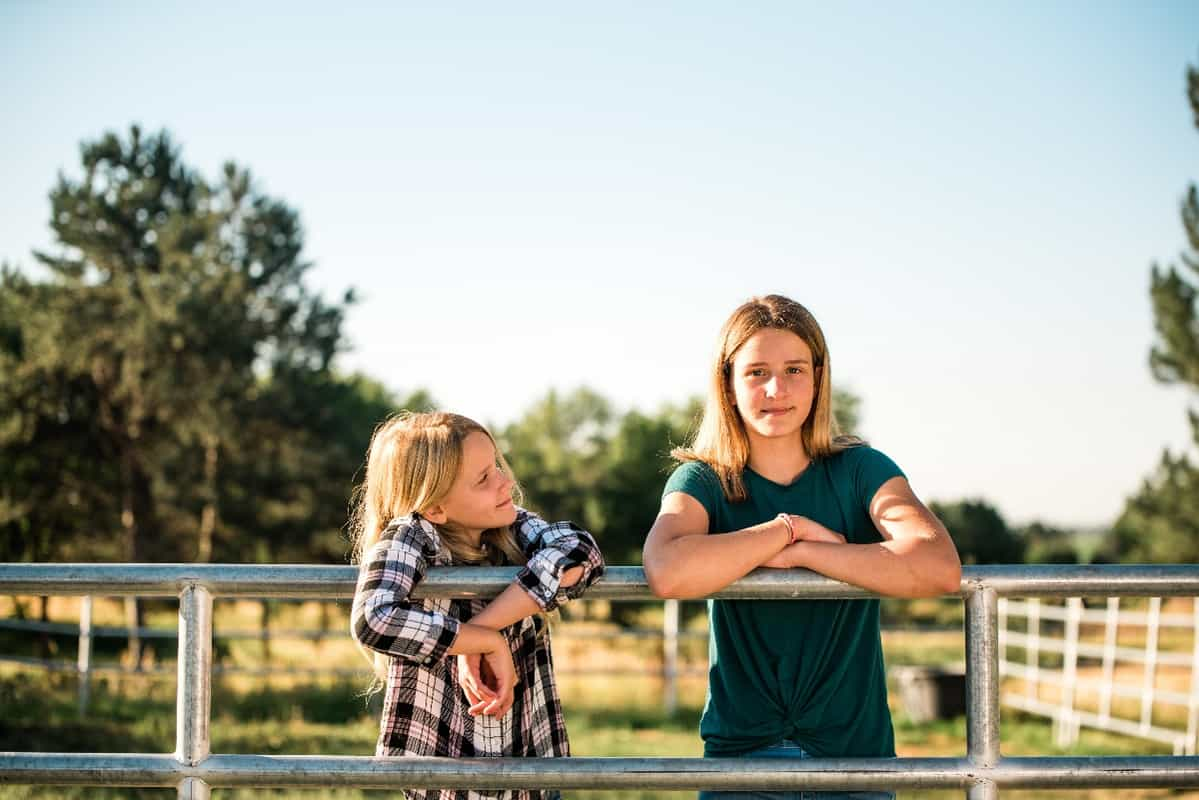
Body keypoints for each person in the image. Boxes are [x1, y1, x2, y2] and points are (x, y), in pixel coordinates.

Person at [643, 294, 962, 800]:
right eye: (756, 372)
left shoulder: (861, 468)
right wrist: (787, 530)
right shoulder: (703, 479)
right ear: (726, 383)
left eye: (794, 369)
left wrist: (808, 555)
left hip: (855, 758)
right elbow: (666, 569)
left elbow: (937, 564)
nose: (777, 389)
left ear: (818, 376)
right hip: (741, 760)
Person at [350, 411, 604, 800]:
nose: (505, 482)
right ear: (434, 508)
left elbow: (581, 553)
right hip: (443, 763)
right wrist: (484, 643)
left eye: (497, 468)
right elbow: (373, 617)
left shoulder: (511, 527)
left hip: (528, 756)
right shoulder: (412, 535)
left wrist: (485, 631)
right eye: (484, 479)